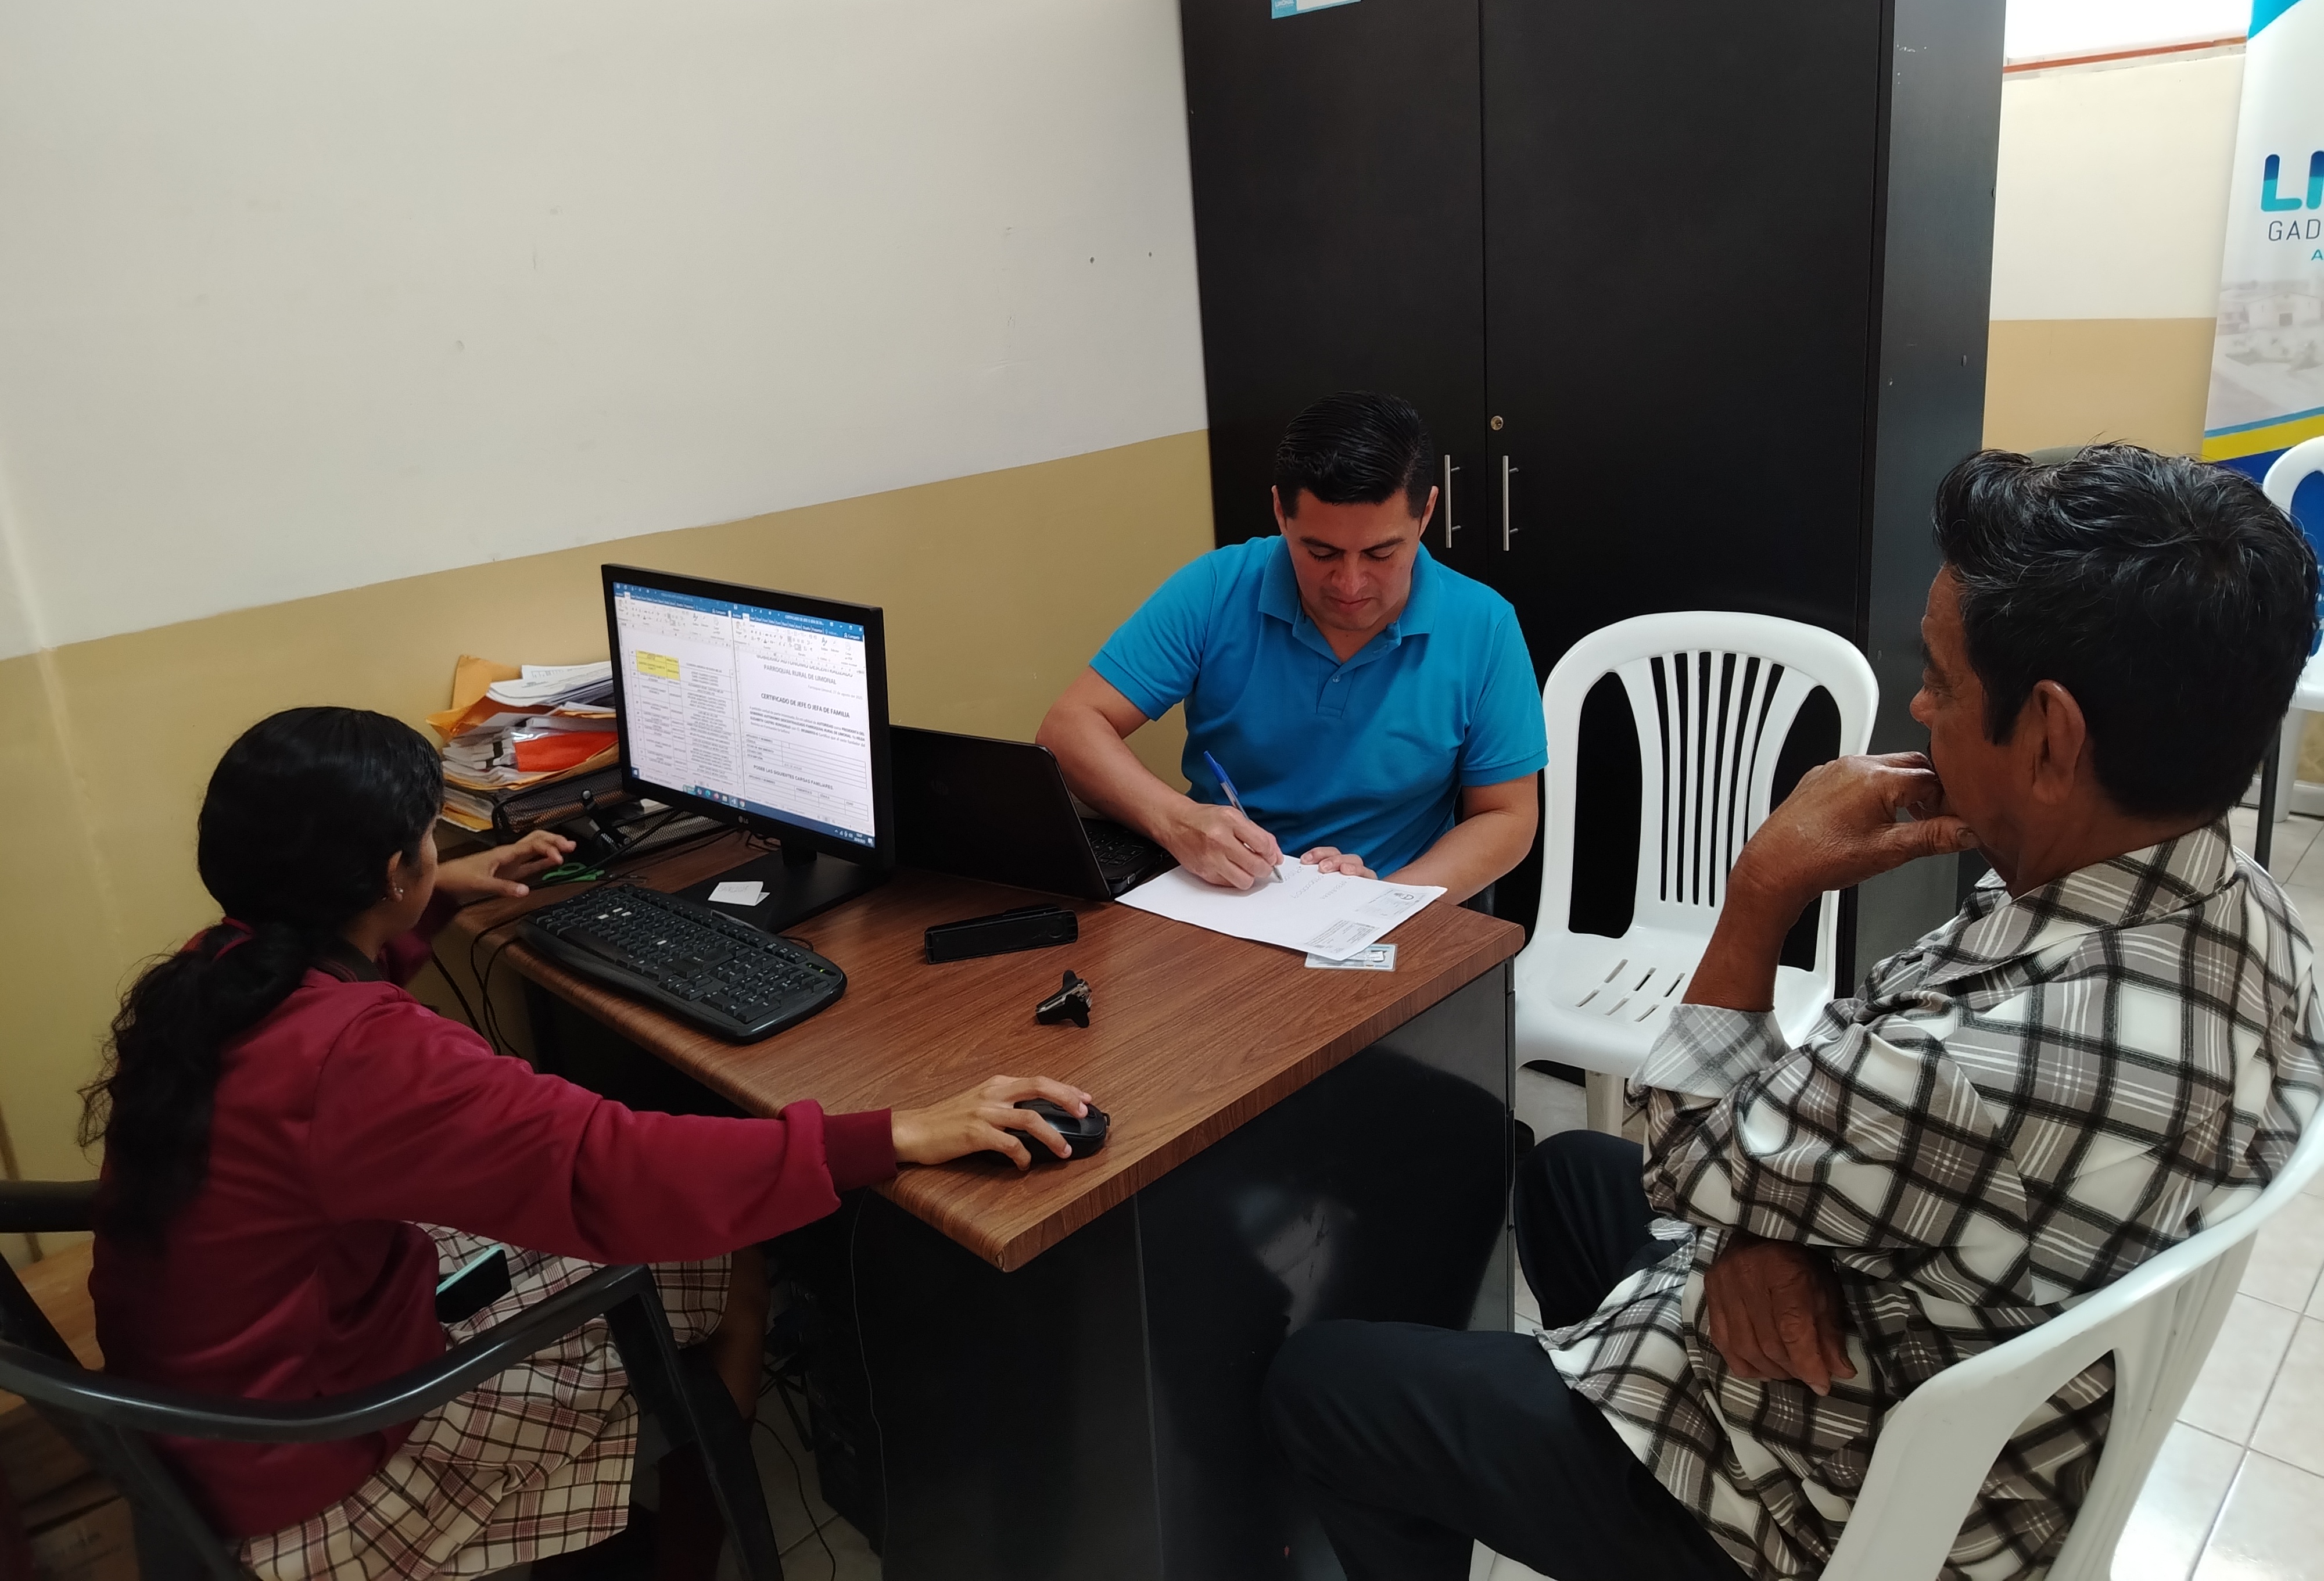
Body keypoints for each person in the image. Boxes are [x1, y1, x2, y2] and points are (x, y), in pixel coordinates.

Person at [1262, 443, 2324, 1581]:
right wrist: (1750, 1231)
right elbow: (1814, 1110)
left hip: (1828, 1507)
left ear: (2053, 738)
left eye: (1942, 681)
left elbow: (1698, 1151)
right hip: (1940, 1351)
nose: (1917, 708)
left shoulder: (1982, 1069)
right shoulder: (2245, 908)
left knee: (1326, 1387)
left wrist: (1761, 889)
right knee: (1569, 1174)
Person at [82, 706, 1096, 1581]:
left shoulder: (221, 966)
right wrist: (897, 1130)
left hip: (213, 1408)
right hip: (310, 1456)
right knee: (725, 1257)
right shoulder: (363, 1056)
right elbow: (610, 1167)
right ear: (391, 872)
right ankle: (679, 1557)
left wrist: (440, 890)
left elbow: (342, 1023)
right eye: (427, 842)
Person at [1038, 391, 1545, 904]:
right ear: (1281, 511)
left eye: (1380, 553)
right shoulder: (1217, 589)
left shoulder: (1484, 626)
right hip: (1224, 896)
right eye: (1321, 552)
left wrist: (1382, 901)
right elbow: (1070, 727)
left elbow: (1508, 815)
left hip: (1397, 898)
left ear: (1426, 512)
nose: (1350, 584)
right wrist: (1178, 821)